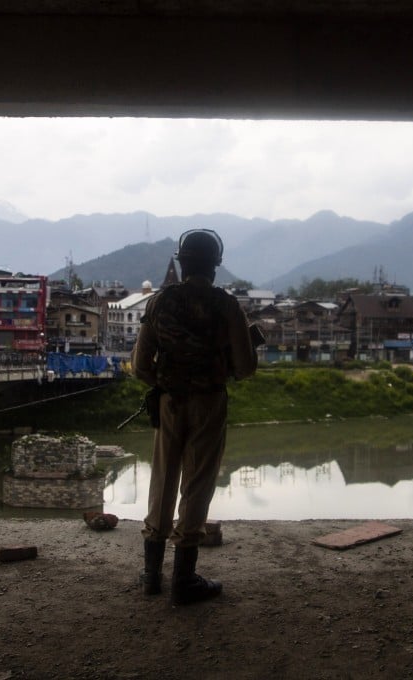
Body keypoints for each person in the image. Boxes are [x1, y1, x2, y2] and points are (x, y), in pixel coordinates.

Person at [131, 229, 258, 605]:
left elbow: (139, 366)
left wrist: (167, 382)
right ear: (215, 267)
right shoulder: (227, 306)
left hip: (170, 401)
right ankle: (184, 580)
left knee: (163, 479)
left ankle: (152, 575)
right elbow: (246, 368)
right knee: (197, 484)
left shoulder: (160, 302)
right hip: (209, 402)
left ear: (182, 263)